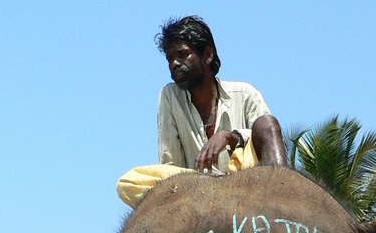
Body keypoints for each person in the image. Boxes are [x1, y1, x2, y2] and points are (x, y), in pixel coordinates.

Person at [117, 16, 287, 207]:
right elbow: (171, 166)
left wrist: (231, 137)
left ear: (207, 55)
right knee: (127, 183)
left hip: (245, 184)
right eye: (170, 58)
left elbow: (267, 143)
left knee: (266, 124)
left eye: (182, 54)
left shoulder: (245, 93)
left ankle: (280, 201)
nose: (174, 63)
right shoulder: (169, 96)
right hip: (197, 191)